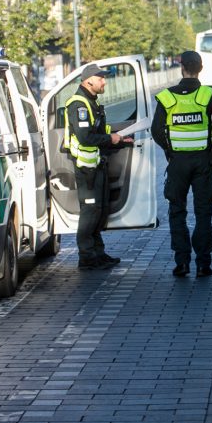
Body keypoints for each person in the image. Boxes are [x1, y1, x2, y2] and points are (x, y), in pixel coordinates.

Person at [152, 51, 212, 278]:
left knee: (177, 212)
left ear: (181, 67)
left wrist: (169, 150)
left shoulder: (167, 97)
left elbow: (157, 131)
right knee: (203, 213)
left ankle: (182, 263)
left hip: (177, 163)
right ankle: (203, 264)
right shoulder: (208, 95)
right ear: (200, 68)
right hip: (202, 163)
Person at [64, 63, 133, 271]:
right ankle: (86, 257)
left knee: (99, 211)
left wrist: (119, 139)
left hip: (97, 165)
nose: (104, 81)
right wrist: (110, 138)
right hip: (86, 168)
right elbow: (86, 137)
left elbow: (101, 130)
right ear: (88, 81)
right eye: (101, 78)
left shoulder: (92, 102)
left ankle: (98, 253)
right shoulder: (79, 104)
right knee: (90, 212)